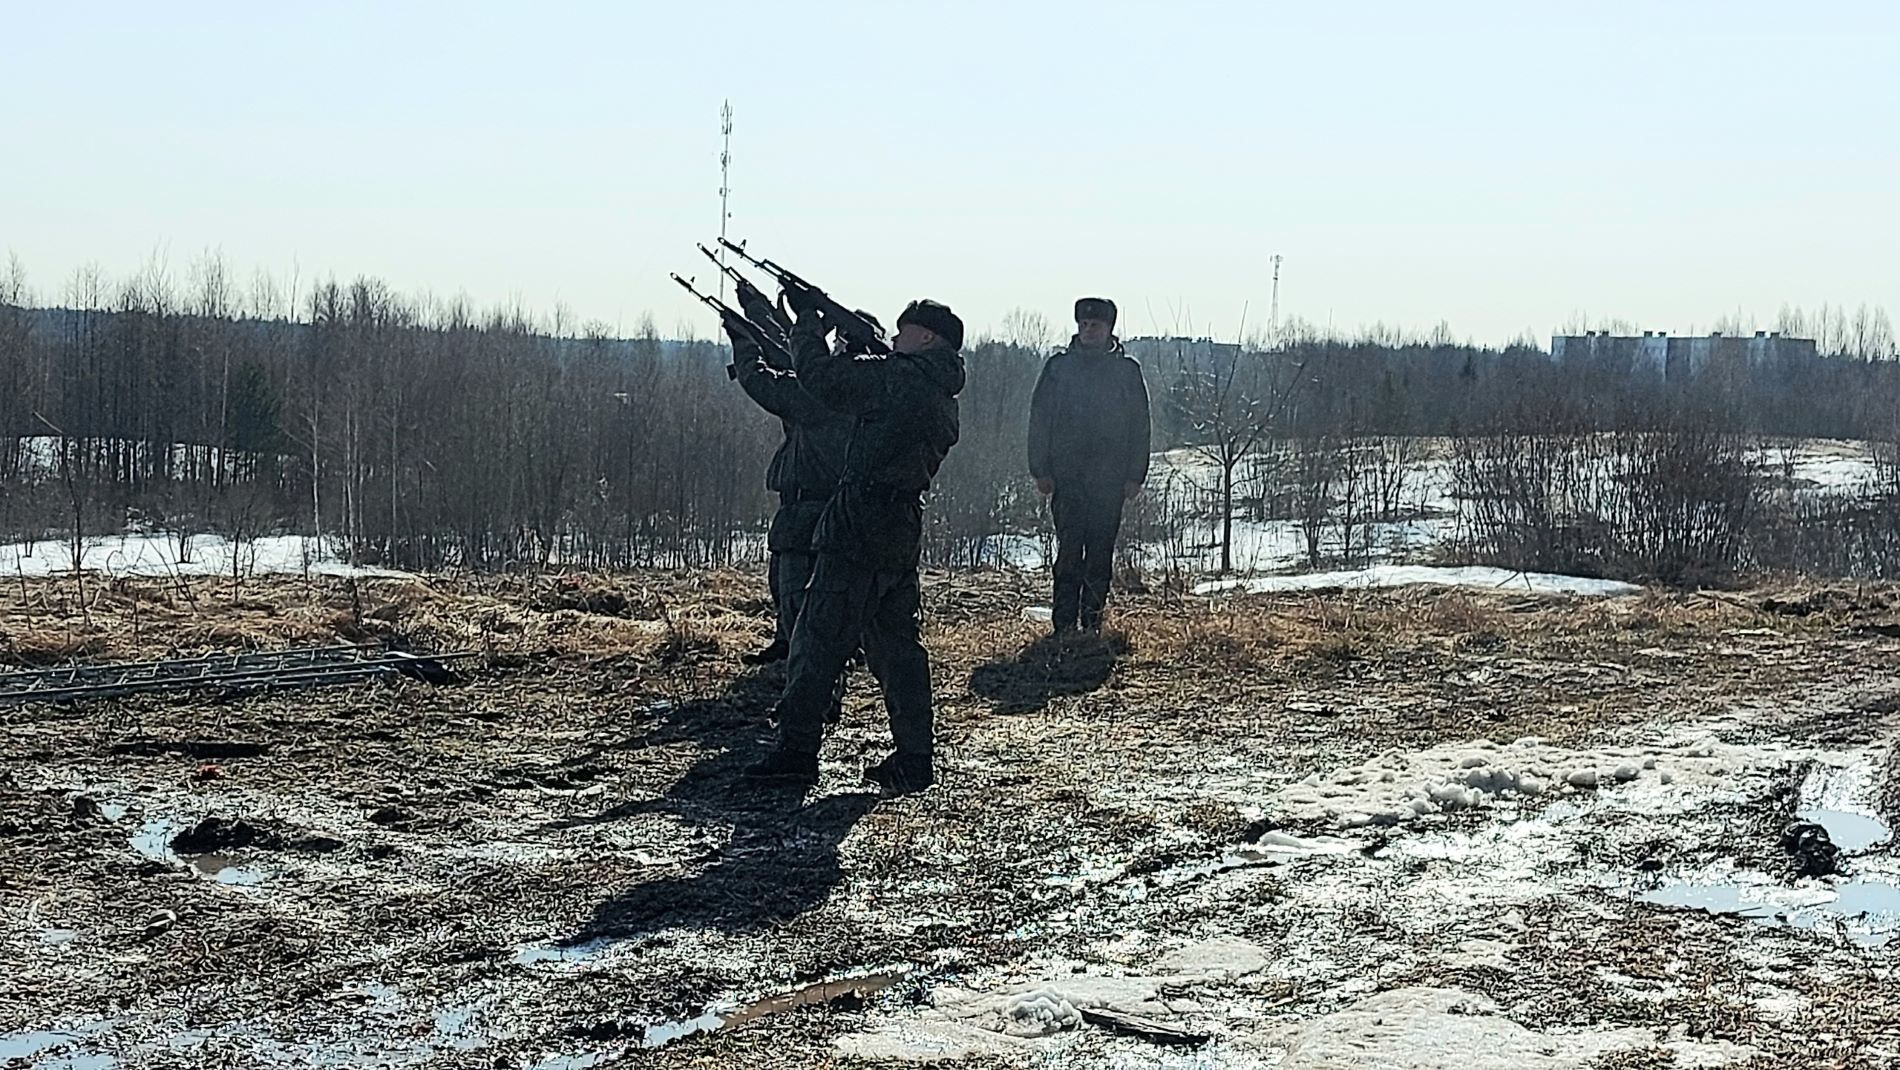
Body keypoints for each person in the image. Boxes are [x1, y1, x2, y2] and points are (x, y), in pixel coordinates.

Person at [743, 298, 965, 796]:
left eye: (905, 331)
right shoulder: (937, 388)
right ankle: (914, 757)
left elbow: (821, 381)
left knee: (816, 640)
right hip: (898, 526)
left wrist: (806, 325)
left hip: (859, 524)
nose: (896, 339)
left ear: (927, 337)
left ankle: (795, 754)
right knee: (897, 649)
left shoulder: (902, 379)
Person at [1027, 297, 1151, 633]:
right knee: (1069, 554)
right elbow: (1039, 419)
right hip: (1067, 478)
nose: (1088, 330)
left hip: (1109, 481)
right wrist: (1040, 469)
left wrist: (1135, 475)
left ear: (1109, 328)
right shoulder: (1058, 368)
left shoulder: (1127, 372)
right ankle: (1064, 625)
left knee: (1099, 555)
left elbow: (1140, 426)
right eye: (1083, 323)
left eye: (1095, 324)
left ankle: (1092, 623)